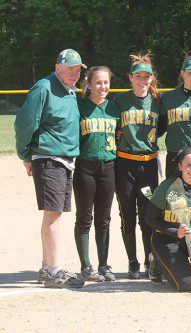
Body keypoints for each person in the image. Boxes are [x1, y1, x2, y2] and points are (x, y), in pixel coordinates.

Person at [14, 48, 86, 288]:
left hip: (64, 159)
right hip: (48, 157)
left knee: (55, 214)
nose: (74, 74)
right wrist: (26, 155)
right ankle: (54, 271)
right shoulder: (43, 88)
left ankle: (47, 268)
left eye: (77, 70)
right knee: (53, 214)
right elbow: (24, 124)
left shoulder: (70, 91)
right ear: (57, 68)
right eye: (69, 69)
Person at [114, 53, 161, 279]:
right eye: (138, 76)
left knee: (147, 216)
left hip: (149, 164)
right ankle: (132, 262)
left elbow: (161, 128)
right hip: (124, 164)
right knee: (127, 215)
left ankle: (149, 261)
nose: (143, 80)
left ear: (151, 78)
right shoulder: (120, 101)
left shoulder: (157, 101)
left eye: (146, 76)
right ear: (130, 77)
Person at [73, 66, 120, 282]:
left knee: (104, 219)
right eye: (98, 82)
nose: (103, 87)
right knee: (84, 217)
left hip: (109, 167)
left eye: (106, 82)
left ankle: (103, 265)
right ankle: (86, 266)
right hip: (85, 167)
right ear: (89, 84)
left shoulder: (114, 108)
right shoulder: (79, 106)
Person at [145, 148, 191, 292]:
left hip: (190, 238)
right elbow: (150, 219)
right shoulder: (167, 187)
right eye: (188, 165)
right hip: (166, 239)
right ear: (180, 166)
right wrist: (175, 232)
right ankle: (156, 262)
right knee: (186, 284)